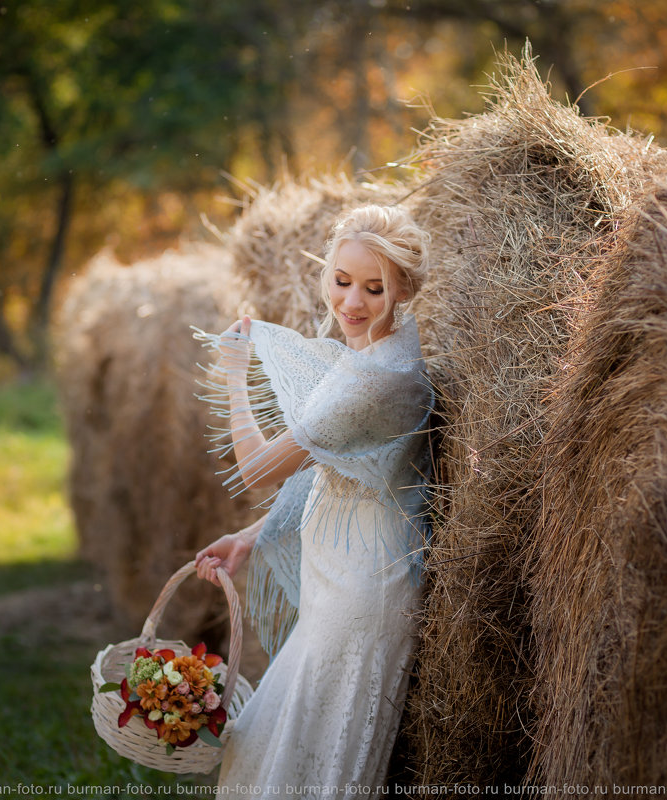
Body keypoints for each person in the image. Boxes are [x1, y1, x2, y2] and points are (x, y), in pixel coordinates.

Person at [192, 204, 433, 793]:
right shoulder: (378, 351)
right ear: (324, 272)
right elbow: (329, 467)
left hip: (361, 589)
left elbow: (257, 472)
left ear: (403, 289)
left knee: (315, 760)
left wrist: (233, 373)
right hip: (341, 574)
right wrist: (250, 538)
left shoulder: (376, 380)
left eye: (374, 289)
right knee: (271, 752)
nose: (352, 302)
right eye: (341, 280)